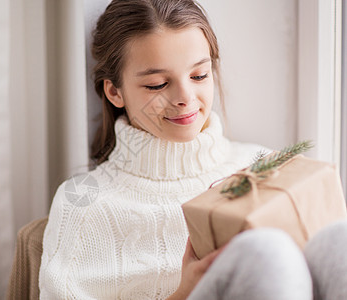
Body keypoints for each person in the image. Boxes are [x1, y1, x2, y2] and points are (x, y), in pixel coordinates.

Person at [38, 0, 347, 299]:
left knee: (338, 241)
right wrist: (183, 292)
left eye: (199, 75)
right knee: (265, 253)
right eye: (158, 84)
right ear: (114, 92)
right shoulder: (85, 205)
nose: (185, 97)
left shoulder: (263, 165)